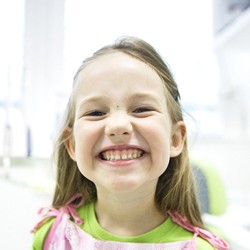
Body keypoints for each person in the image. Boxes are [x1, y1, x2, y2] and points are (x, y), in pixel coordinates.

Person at [31, 36, 229, 250]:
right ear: (72, 145)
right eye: (96, 112)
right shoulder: (50, 237)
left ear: (175, 139)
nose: (118, 125)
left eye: (141, 109)